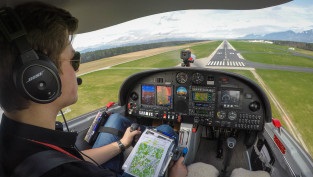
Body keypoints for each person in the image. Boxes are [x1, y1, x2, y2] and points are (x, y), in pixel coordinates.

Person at [0, 2, 187, 177]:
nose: (77, 69)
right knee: (164, 131)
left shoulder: (15, 139)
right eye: (73, 60)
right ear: (41, 77)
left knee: (115, 118)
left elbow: (70, 158)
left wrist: (121, 144)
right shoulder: (68, 172)